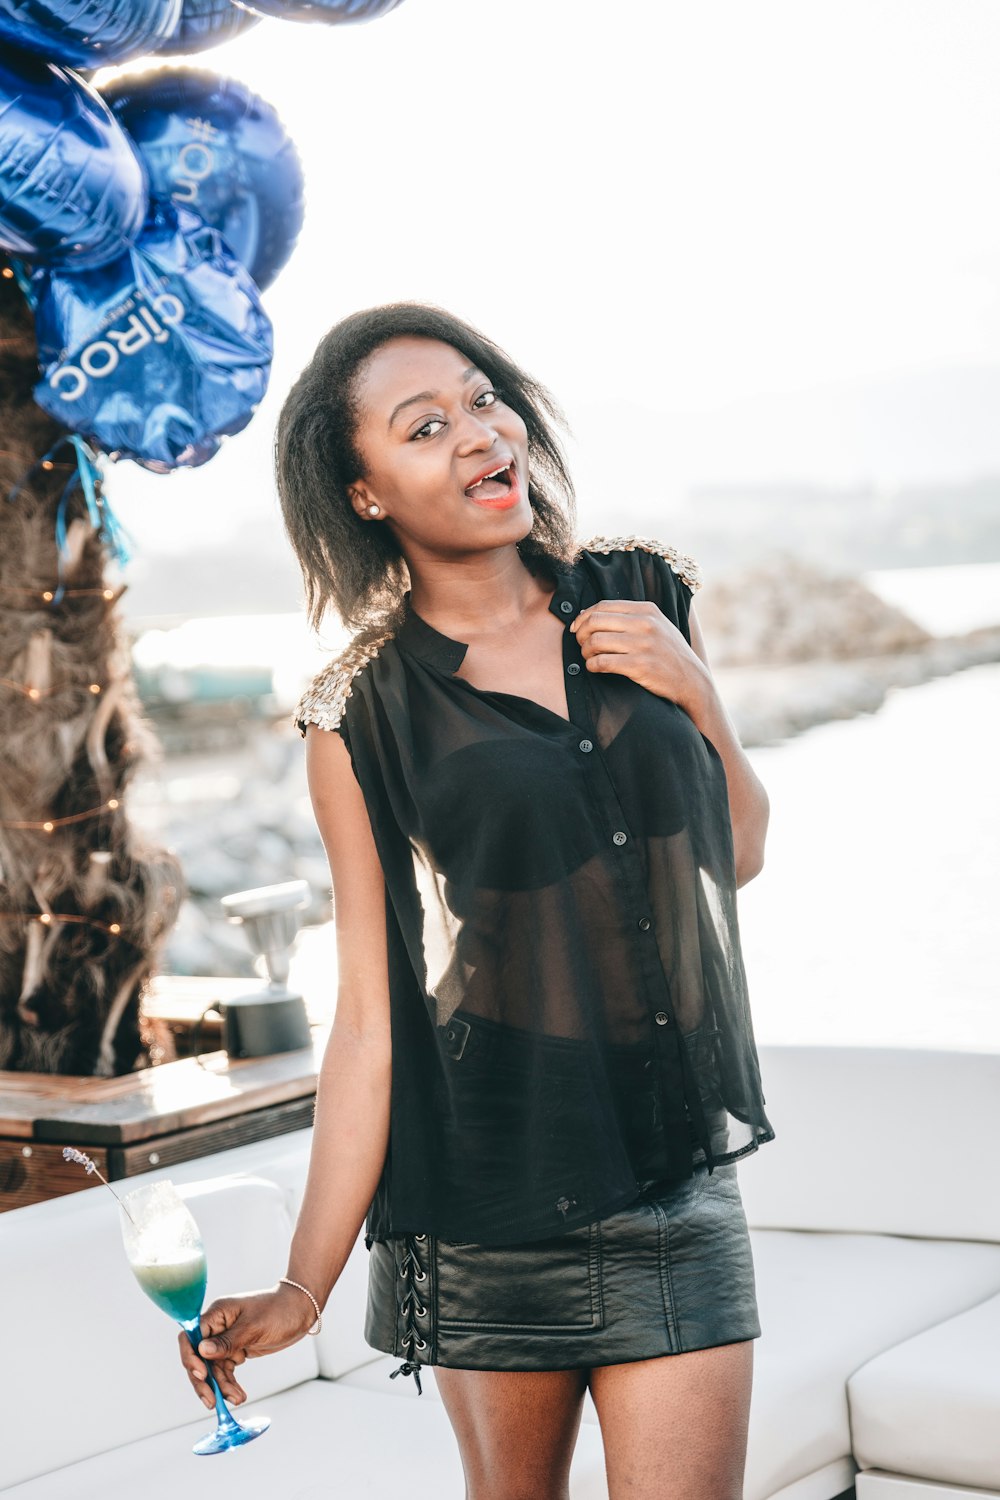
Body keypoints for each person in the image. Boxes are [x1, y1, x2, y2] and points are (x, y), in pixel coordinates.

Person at [177, 302, 775, 1500]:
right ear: (364, 494)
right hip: (488, 1190)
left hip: (672, 1169)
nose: (476, 433)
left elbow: (737, 854)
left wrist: (697, 689)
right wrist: (305, 1285)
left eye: (480, 398)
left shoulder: (640, 594)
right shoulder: (361, 716)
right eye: (424, 425)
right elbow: (367, 1020)